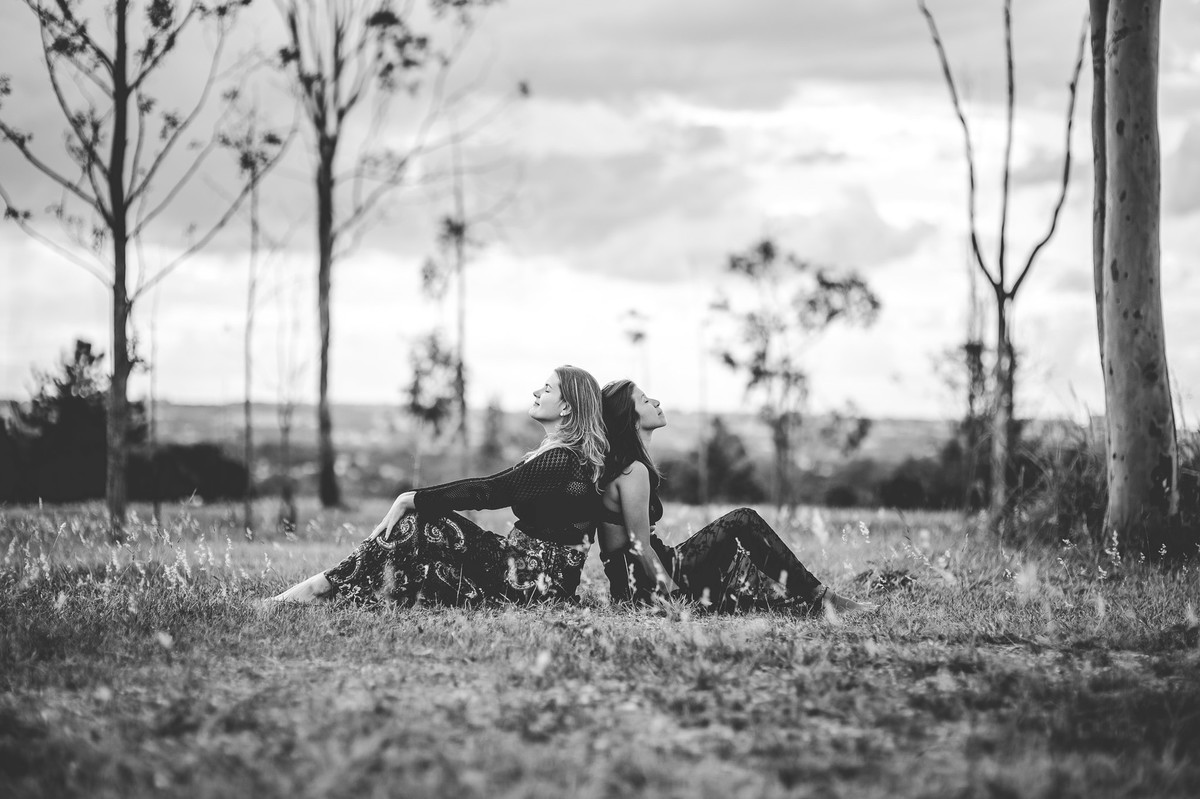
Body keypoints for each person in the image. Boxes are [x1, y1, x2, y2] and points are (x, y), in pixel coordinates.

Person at [270, 366, 607, 606]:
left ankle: (321, 587)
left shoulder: (562, 458)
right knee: (418, 547)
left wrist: (412, 498)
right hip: (527, 573)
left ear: (566, 406)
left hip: (531, 579)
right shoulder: (563, 456)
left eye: (547, 389)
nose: (536, 392)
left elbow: (490, 492)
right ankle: (333, 587)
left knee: (421, 520)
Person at [597, 379, 875, 615]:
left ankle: (809, 598)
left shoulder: (629, 467)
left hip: (650, 573)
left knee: (745, 576)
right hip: (645, 584)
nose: (656, 402)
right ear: (630, 419)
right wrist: (673, 596)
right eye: (645, 400)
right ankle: (822, 598)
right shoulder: (632, 471)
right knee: (743, 520)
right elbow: (640, 547)